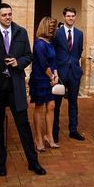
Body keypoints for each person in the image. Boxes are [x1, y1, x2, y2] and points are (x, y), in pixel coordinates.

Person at [0, 3, 45, 177]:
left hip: (16, 85)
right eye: (4, 14)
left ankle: (33, 162)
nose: (7, 17)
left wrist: (18, 63)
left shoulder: (21, 32)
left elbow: (29, 55)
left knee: (23, 125)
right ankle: (0, 163)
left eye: (9, 14)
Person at [52, 6, 85, 142]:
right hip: (60, 72)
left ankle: (73, 130)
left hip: (74, 73)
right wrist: (54, 72)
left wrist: (76, 66)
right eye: (68, 16)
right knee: (56, 104)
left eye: (73, 16)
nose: (71, 18)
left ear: (75, 17)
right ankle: (54, 131)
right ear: (64, 17)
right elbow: (53, 52)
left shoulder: (79, 34)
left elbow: (78, 51)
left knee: (73, 102)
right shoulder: (57, 33)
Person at [29, 16, 60, 150]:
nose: (53, 29)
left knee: (51, 106)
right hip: (40, 79)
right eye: (51, 26)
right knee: (39, 107)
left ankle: (49, 136)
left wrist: (56, 74)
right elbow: (43, 64)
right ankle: (38, 138)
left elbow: (53, 62)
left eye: (54, 26)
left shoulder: (50, 43)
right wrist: (52, 76)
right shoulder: (39, 44)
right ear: (45, 27)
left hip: (50, 78)